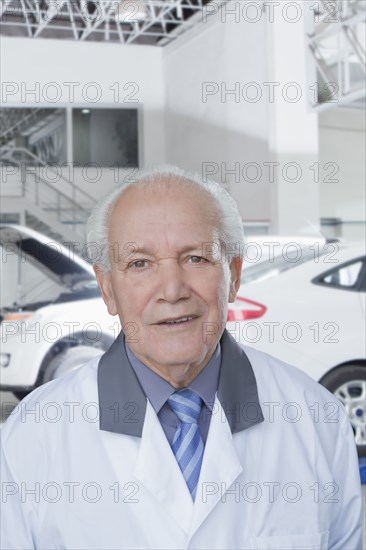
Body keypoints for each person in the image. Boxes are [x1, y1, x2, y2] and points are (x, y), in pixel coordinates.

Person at [1, 166, 362, 550]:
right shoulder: (36, 433)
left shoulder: (314, 418)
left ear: (234, 275)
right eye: (139, 263)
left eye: (195, 258)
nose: (172, 290)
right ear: (107, 288)